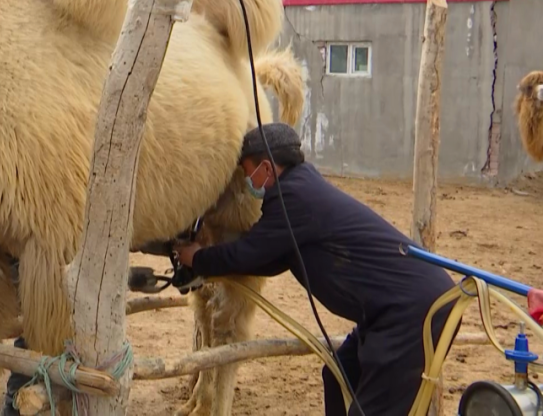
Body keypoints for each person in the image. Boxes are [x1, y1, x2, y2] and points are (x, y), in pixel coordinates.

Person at [173, 122, 458, 416]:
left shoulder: (294, 200)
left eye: (248, 173)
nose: (248, 181)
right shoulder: (301, 190)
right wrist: (213, 267)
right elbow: (270, 258)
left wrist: (198, 258)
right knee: (339, 372)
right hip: (391, 308)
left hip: (412, 311)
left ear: (267, 169)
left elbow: (250, 252)